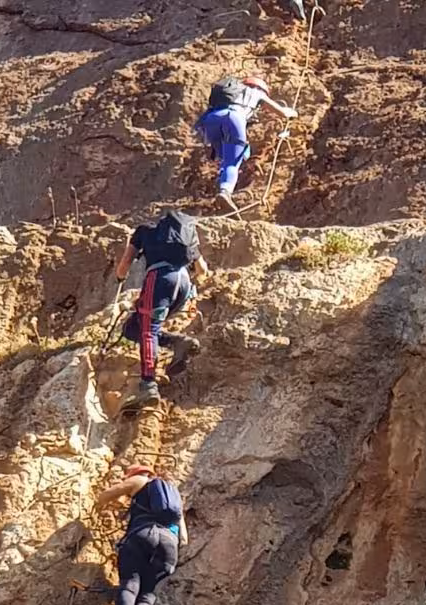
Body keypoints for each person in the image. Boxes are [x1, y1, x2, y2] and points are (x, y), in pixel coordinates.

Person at [113, 210, 208, 411]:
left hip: (159, 280)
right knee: (132, 329)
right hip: (183, 283)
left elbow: (123, 267)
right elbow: (202, 270)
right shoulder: (183, 239)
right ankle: (179, 342)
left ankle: (148, 384)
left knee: (148, 331)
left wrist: (120, 279)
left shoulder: (143, 231)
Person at [96, 464, 186, 605]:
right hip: (170, 547)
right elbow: (184, 539)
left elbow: (104, 496)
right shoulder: (175, 499)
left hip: (144, 534)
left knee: (130, 583)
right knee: (148, 594)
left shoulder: (141, 480)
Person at [194, 75, 298, 212]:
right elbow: (284, 113)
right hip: (234, 118)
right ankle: (225, 191)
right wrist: (293, 113)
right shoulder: (257, 93)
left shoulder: (229, 92)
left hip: (211, 119)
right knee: (232, 161)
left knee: (226, 156)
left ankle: (222, 179)